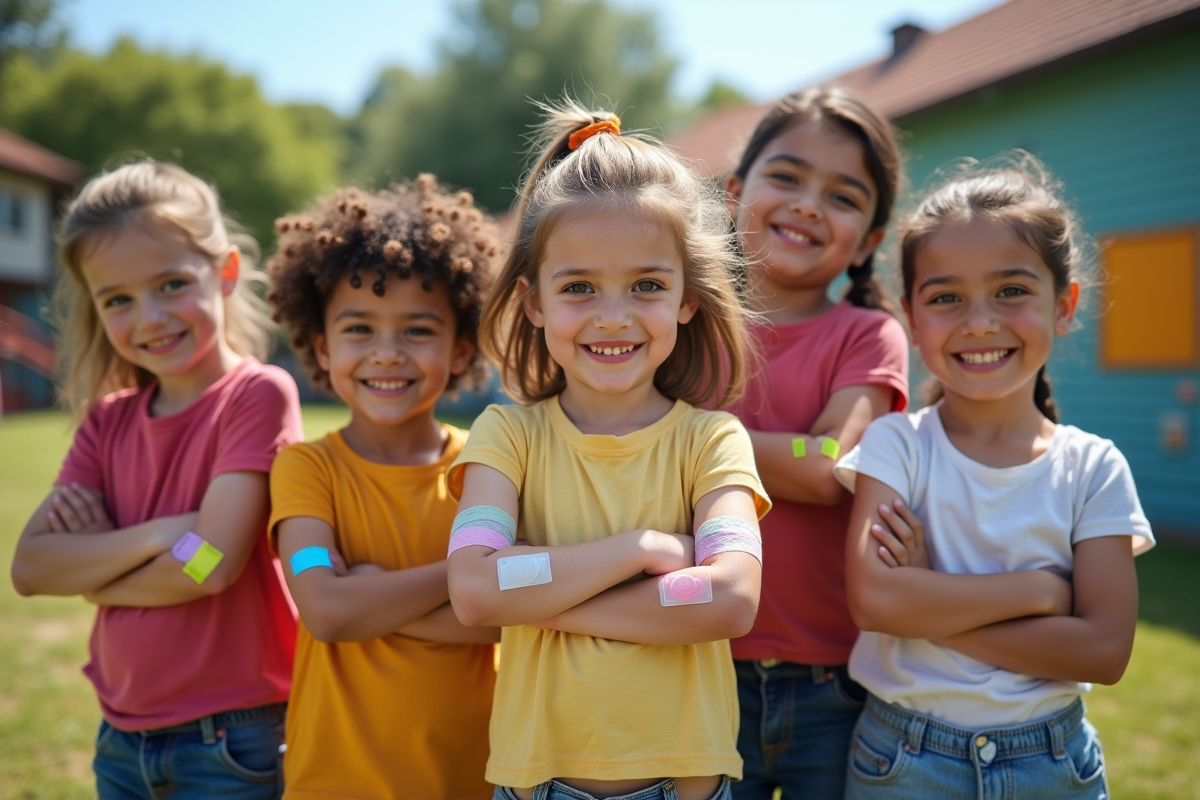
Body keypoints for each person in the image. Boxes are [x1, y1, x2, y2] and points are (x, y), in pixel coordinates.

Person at [446, 100, 771, 800]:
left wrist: (536, 599)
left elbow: (730, 598)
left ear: (687, 298)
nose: (614, 316)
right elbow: (473, 590)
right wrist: (640, 549)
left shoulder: (712, 441)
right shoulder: (507, 437)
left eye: (647, 285)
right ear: (534, 302)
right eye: (579, 288)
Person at [836, 156, 1153, 799]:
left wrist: (926, 600)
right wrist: (1040, 590)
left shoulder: (1094, 468)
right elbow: (875, 602)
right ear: (913, 319)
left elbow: (1103, 652)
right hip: (902, 762)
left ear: (1064, 305)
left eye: (1011, 290)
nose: (979, 321)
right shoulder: (896, 445)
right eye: (946, 297)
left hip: (1052, 765)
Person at [11, 161, 301, 798]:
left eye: (171, 284)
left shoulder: (256, 395)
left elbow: (210, 566)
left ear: (225, 272)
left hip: (231, 739)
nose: (149, 317)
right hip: (121, 737)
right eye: (117, 299)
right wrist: (158, 535)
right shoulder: (106, 421)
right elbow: (30, 569)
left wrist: (95, 575)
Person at [266, 178, 500, 799]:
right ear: (322, 347)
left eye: (418, 331)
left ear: (460, 350)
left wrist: (370, 598)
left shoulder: (491, 467)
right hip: (334, 784)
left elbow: (520, 622)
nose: (388, 353)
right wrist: (470, 579)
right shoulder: (305, 470)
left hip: (474, 781)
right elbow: (326, 610)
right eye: (359, 329)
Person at [721, 86, 910, 799]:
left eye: (842, 196)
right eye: (787, 177)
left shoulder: (869, 337)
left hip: (834, 684)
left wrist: (685, 440)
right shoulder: (680, 322)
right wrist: (793, 448)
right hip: (697, 662)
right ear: (735, 192)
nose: (807, 205)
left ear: (868, 242)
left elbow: (828, 466)